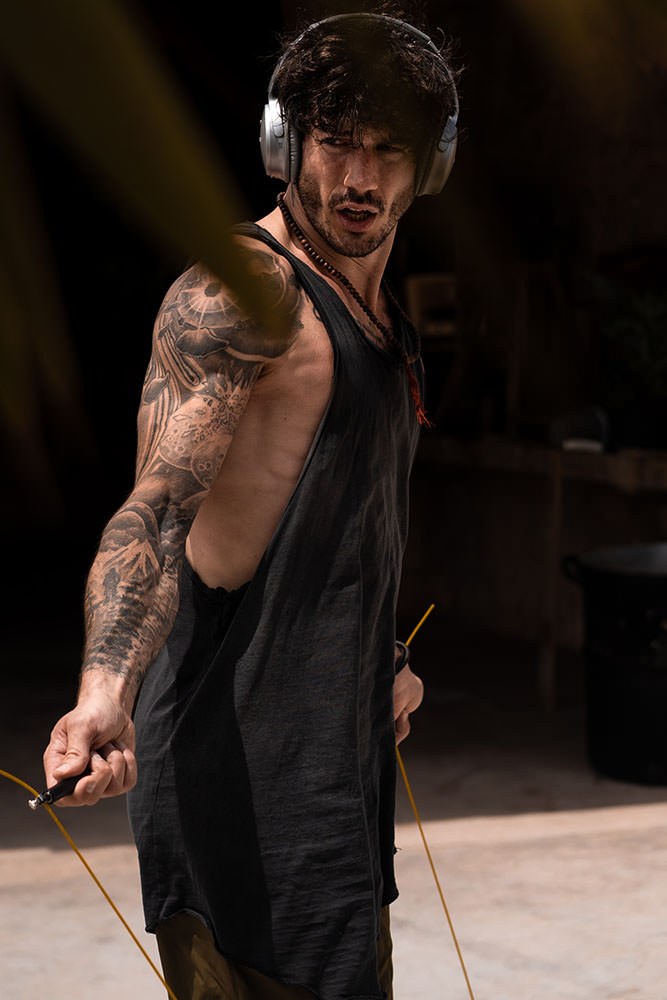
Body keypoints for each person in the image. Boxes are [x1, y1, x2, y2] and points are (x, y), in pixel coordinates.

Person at [42, 10, 459, 1000]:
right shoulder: (243, 297)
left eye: (388, 149)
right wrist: (104, 695)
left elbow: (332, 534)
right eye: (335, 142)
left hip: (335, 788)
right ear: (285, 144)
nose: (359, 177)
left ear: (431, 165)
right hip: (237, 797)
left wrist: (378, 659)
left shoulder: (380, 317)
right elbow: (155, 515)